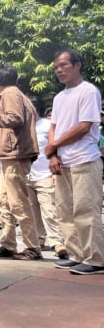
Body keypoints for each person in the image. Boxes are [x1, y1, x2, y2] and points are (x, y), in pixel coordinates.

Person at [46, 49, 104, 274]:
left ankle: (95, 258)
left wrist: (53, 145)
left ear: (77, 64)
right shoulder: (60, 97)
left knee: (86, 210)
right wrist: (52, 154)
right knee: (66, 211)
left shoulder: (88, 91)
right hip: (63, 161)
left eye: (63, 65)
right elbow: (53, 126)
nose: (59, 70)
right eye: (56, 67)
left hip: (84, 160)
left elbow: (84, 126)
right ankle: (76, 253)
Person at [0, 62, 41, 260]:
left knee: (18, 202)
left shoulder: (10, 94)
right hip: (12, 155)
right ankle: (8, 244)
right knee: (4, 203)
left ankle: (32, 248)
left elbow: (15, 119)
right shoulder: (20, 95)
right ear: (17, 78)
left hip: (14, 155)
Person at [27, 101, 67, 259]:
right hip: (28, 175)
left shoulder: (47, 125)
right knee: (32, 211)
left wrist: (55, 173)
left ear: (35, 110)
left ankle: (57, 242)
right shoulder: (23, 128)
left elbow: (56, 147)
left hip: (45, 174)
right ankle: (38, 240)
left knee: (49, 210)